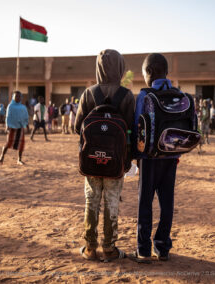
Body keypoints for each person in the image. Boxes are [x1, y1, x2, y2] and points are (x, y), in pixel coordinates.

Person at [74, 49, 135, 262]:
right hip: (117, 161)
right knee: (111, 200)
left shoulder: (88, 93)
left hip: (91, 160)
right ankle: (109, 248)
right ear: (120, 67)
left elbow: (76, 127)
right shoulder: (127, 96)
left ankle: (90, 247)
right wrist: (130, 160)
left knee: (91, 199)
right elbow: (131, 131)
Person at [129, 53, 181, 263]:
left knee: (145, 203)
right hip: (171, 157)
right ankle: (163, 247)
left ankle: (143, 249)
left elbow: (136, 126)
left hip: (149, 158)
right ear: (166, 73)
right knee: (167, 203)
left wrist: (135, 156)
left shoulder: (144, 95)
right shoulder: (178, 94)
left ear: (148, 73)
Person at [0, 91, 29, 165]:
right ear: (13, 97)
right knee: (8, 143)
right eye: (16, 96)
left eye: (19, 96)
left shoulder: (23, 107)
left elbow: (26, 117)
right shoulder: (10, 106)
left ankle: (19, 159)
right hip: (11, 127)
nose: (17, 98)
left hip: (20, 127)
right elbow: (7, 117)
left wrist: (27, 126)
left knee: (21, 144)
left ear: (21, 97)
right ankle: (2, 156)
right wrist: (7, 126)